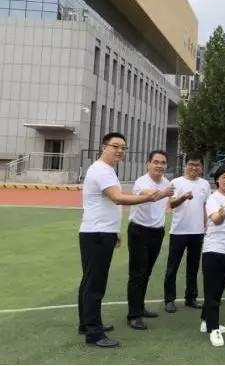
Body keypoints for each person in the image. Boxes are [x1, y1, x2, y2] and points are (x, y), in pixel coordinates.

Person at [78, 133, 172, 348]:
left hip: (99, 231)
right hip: (97, 234)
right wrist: (150, 197)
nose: (120, 151)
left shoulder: (105, 170)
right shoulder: (102, 170)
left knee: (89, 281)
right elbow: (117, 198)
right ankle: (94, 333)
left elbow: (105, 204)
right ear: (104, 147)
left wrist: (115, 230)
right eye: (115, 146)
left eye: (123, 147)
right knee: (95, 284)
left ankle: (86, 324)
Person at [126, 150, 176, 330]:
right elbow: (151, 196)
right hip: (139, 231)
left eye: (163, 163)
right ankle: (133, 315)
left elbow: (171, 200)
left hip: (157, 231)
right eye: (156, 162)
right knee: (137, 274)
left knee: (146, 272)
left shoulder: (167, 182)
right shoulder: (141, 181)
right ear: (148, 164)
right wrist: (165, 192)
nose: (159, 166)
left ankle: (140, 307)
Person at [199, 164, 225, 347]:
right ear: (217, 179)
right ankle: (214, 329)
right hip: (214, 250)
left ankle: (205, 321)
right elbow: (215, 220)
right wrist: (221, 215)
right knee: (213, 292)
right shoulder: (213, 198)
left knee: (217, 289)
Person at [163, 154, 210, 313]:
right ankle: (169, 300)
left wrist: (206, 227)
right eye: (191, 164)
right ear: (185, 165)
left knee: (193, 268)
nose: (194, 168)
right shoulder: (176, 182)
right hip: (179, 231)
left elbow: (205, 207)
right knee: (172, 267)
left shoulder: (205, 184)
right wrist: (183, 197)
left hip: (198, 232)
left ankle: (191, 297)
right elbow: (171, 204)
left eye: (197, 165)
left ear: (201, 167)